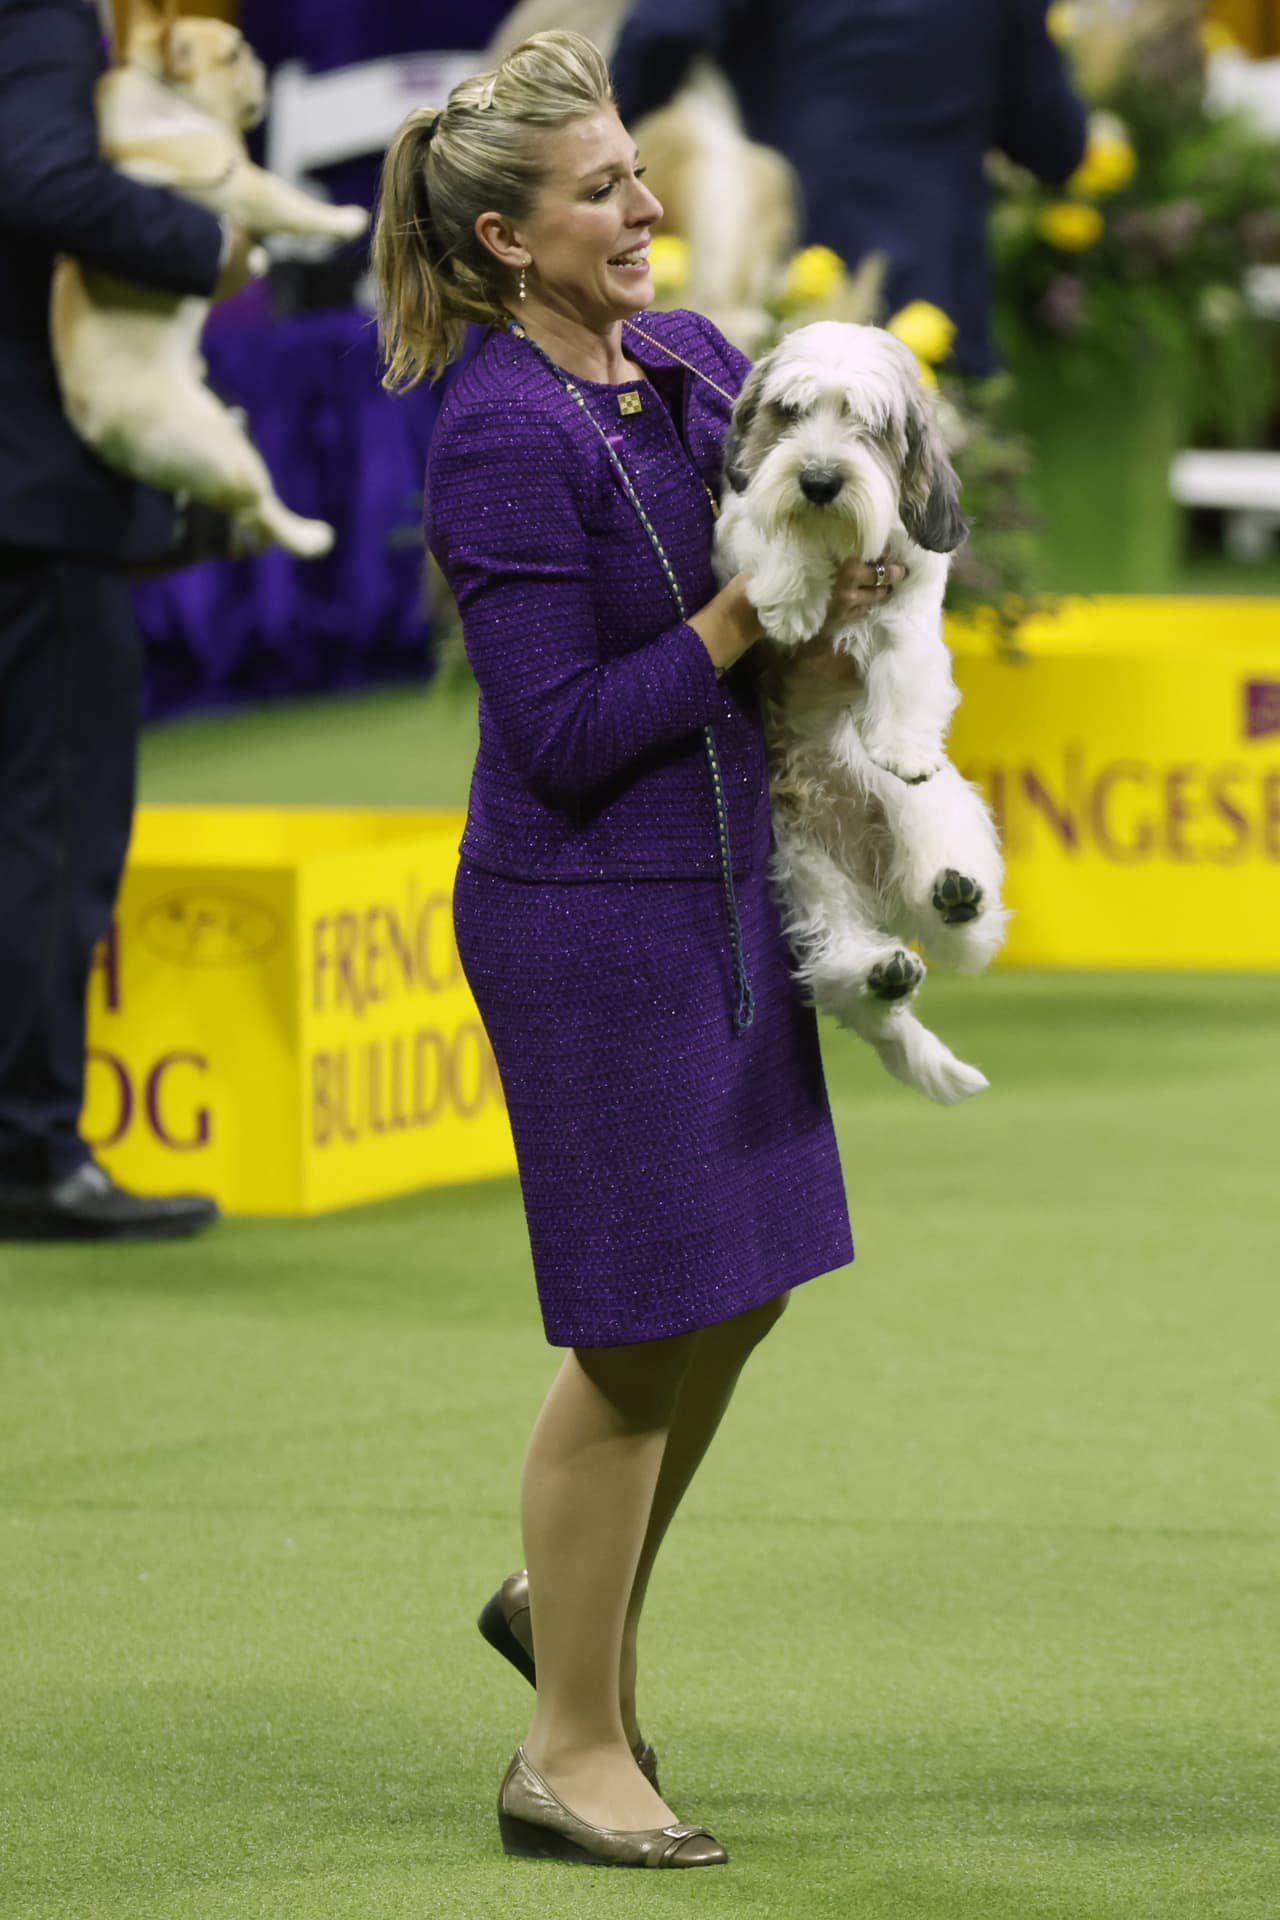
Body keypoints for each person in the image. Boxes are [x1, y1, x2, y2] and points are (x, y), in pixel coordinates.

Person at [372, 29, 906, 1868]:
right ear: (509, 240)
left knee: (739, 1287)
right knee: (631, 1332)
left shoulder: (684, 361)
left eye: (635, 175)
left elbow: (811, 509)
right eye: (602, 189)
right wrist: (753, 617)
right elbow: (568, 732)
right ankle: (567, 1748)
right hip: (583, 920)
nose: (646, 207)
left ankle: (559, 1600)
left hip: (725, 897)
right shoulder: (497, 434)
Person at [0, 0, 252, 1241]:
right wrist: (207, 239)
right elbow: (42, 179)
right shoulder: (41, 19)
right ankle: (31, 1152)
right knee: (51, 834)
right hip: (35, 503)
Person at [610, 0, 1089, 376]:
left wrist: (600, 143)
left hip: (786, 284)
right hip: (939, 304)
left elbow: (666, 28)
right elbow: (1056, 145)